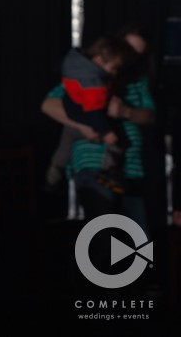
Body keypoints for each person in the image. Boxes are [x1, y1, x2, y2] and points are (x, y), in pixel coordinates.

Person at [41, 25, 156, 234]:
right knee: (102, 237)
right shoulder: (89, 75)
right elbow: (49, 105)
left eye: (136, 54)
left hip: (130, 169)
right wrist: (87, 125)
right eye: (127, 48)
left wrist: (125, 111)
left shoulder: (138, 80)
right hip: (93, 163)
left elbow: (150, 116)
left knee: (138, 242)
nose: (130, 56)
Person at [58, 35, 135, 194]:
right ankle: (108, 173)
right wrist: (106, 132)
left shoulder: (79, 69)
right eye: (113, 68)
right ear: (99, 60)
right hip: (87, 115)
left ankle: (54, 174)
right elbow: (93, 110)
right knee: (117, 142)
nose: (114, 73)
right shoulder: (93, 82)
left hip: (75, 109)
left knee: (64, 147)